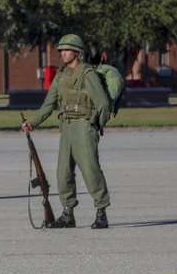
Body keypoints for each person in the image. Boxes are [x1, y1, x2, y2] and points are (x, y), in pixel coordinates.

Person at [21, 34, 111, 229]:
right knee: (63, 173)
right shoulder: (61, 75)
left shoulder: (87, 74)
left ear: (77, 52)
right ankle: (68, 213)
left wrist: (96, 125)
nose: (62, 53)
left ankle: (101, 211)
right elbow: (49, 104)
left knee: (91, 171)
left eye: (66, 50)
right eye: (61, 50)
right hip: (66, 128)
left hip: (84, 127)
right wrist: (33, 122)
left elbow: (103, 104)